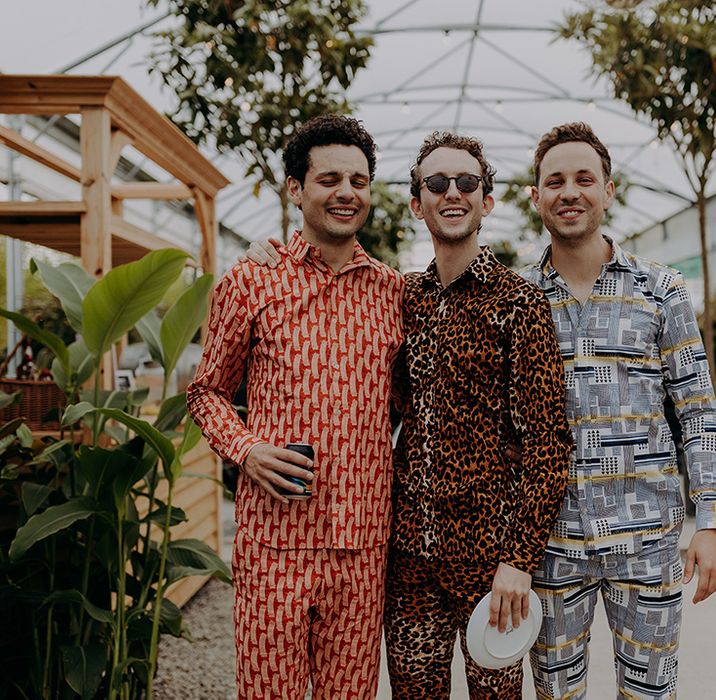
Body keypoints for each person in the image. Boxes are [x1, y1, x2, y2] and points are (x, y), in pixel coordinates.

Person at [246, 132, 573, 699]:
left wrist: (518, 561)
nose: (453, 193)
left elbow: (548, 444)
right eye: (437, 183)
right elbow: (378, 400)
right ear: (418, 202)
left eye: (467, 182)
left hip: (489, 566)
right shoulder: (402, 296)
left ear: (486, 200)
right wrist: (267, 255)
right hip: (408, 563)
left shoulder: (519, 303)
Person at [187, 114, 405, 699]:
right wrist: (247, 449)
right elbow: (205, 391)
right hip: (273, 543)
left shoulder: (393, 292)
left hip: (362, 546)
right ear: (295, 188)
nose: (346, 193)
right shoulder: (251, 282)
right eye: (329, 178)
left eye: (358, 181)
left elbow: (411, 402)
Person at [520, 122, 716, 700]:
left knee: (649, 695)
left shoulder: (660, 288)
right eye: (554, 180)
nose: (570, 192)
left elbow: (697, 410)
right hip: (552, 546)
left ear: (608, 190)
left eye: (584, 178)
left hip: (649, 541)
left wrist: (710, 521)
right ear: (534, 196)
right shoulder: (519, 299)